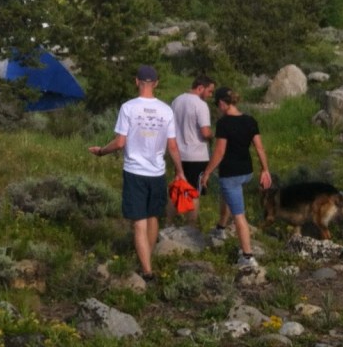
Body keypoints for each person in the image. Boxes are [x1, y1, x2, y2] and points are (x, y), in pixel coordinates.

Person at [89, 64, 184, 281]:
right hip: (157, 171)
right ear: (156, 83)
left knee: (139, 222)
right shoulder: (166, 110)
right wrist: (179, 171)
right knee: (152, 217)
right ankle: (146, 261)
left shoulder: (128, 108)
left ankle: (147, 270)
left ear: (136, 82)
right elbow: (173, 146)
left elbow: (120, 142)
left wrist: (102, 151)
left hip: (134, 171)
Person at [200, 86, 271, 269]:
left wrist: (207, 172)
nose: (217, 108)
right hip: (247, 172)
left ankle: (248, 256)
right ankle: (221, 228)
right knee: (227, 196)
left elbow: (220, 152)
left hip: (230, 173)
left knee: (239, 216)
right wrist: (265, 170)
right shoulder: (250, 120)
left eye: (217, 105)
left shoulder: (224, 124)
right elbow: (259, 148)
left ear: (223, 103)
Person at [165, 75, 215, 226]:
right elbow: (205, 132)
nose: (210, 95)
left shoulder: (177, 101)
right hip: (197, 155)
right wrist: (213, 136)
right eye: (209, 91)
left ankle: (168, 223)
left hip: (179, 154)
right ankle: (191, 226)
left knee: (178, 188)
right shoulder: (200, 105)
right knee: (195, 192)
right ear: (200, 88)